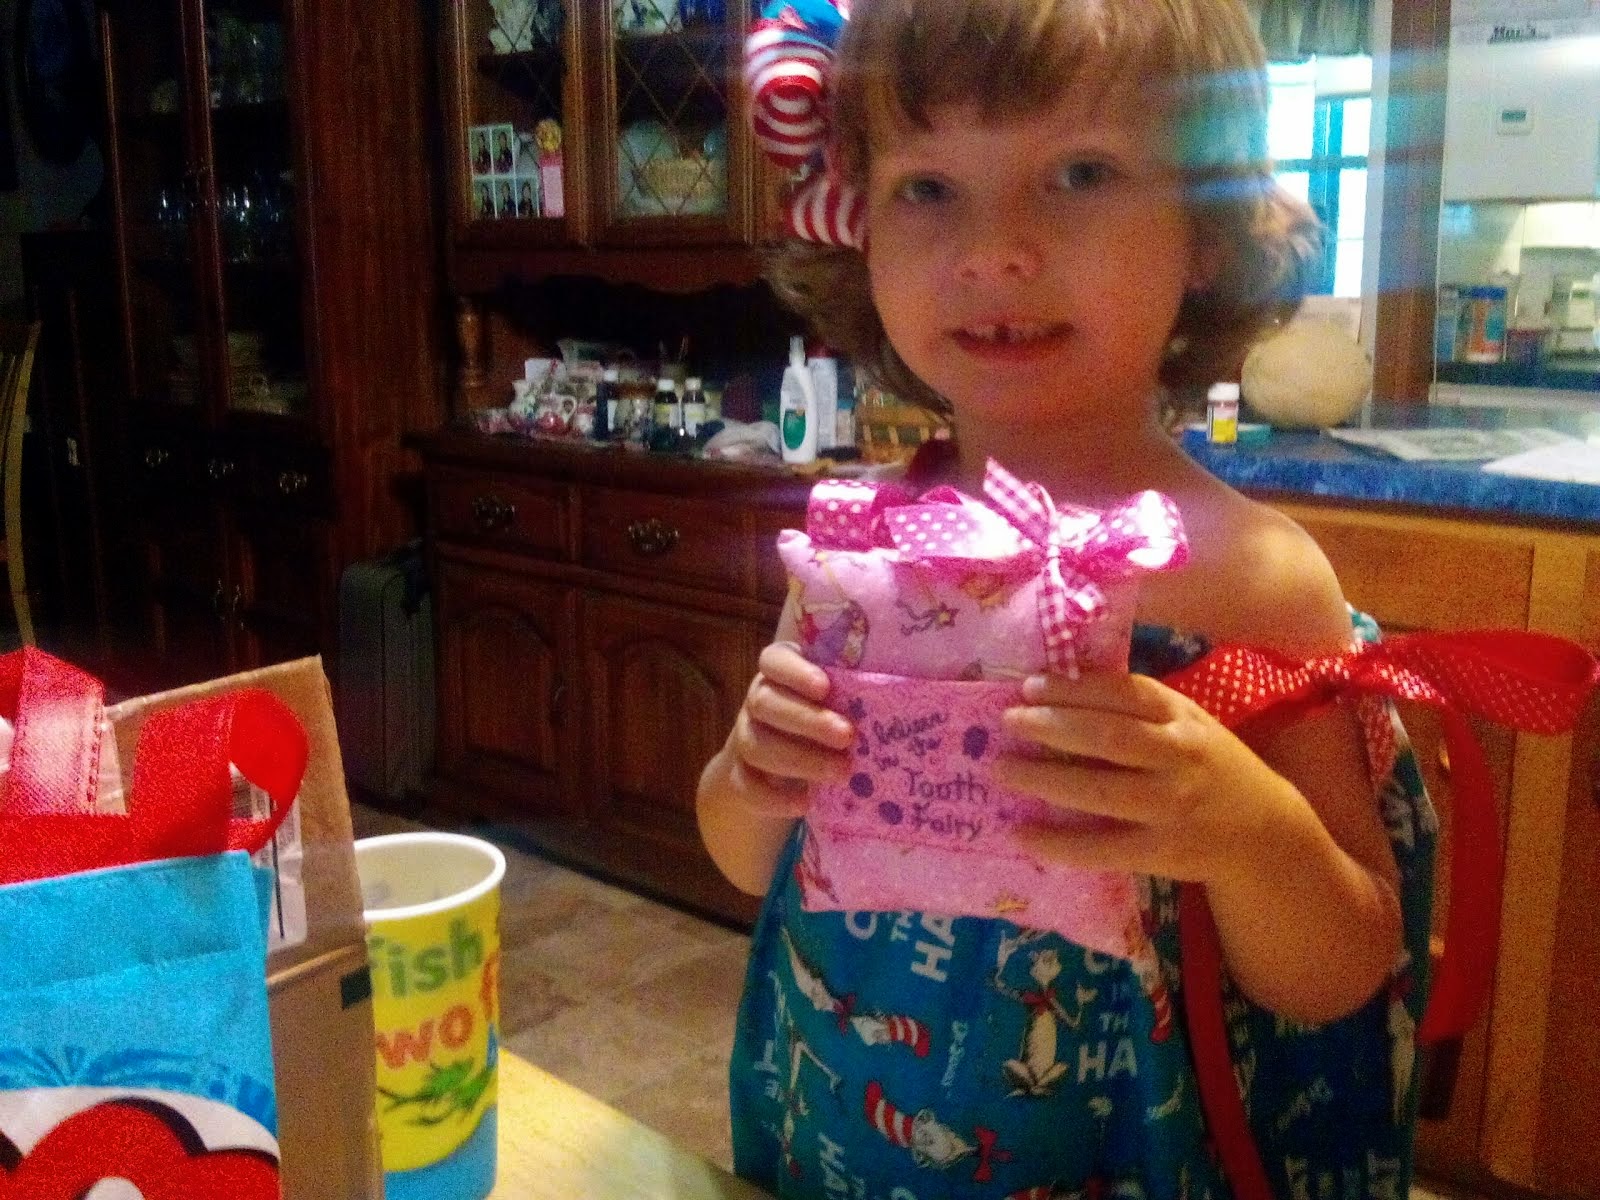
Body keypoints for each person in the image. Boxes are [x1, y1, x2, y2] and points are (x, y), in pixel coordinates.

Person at [697, 2, 1436, 1198]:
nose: (994, 249)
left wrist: (1243, 830)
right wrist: (751, 772)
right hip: (844, 1126)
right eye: (929, 187)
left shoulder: (1250, 577)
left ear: (1205, 227)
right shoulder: (861, 548)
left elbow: (1345, 970)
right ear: (857, 229)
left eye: (1079, 172)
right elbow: (742, 859)